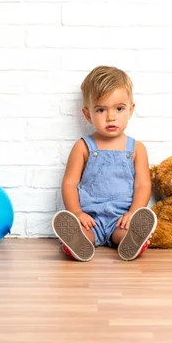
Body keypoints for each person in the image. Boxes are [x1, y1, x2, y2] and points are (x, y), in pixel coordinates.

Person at [51, 66, 157, 261]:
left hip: (121, 218)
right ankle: (75, 242)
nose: (110, 116)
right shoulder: (83, 147)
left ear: (131, 109)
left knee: (124, 234)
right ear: (87, 114)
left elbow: (143, 185)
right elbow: (69, 183)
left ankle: (134, 241)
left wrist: (133, 213)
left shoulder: (136, 149)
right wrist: (76, 212)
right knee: (85, 234)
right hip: (90, 218)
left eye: (119, 108)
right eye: (100, 109)